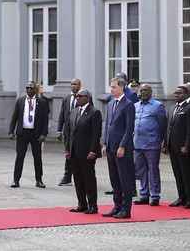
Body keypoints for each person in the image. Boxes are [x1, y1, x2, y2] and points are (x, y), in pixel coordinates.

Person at [101, 76, 136, 219]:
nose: (111, 89)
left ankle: (126, 208)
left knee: (124, 179)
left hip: (123, 148)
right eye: (111, 87)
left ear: (122, 87)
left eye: (114, 87)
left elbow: (129, 128)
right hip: (110, 147)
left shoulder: (128, 104)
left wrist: (122, 146)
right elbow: (107, 125)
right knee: (114, 179)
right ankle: (117, 206)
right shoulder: (110, 103)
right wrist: (104, 143)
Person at [63, 88, 101, 214]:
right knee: (78, 179)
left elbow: (96, 134)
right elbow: (68, 133)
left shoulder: (94, 112)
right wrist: (67, 149)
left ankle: (92, 205)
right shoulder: (73, 112)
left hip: (87, 152)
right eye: (77, 96)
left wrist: (93, 151)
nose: (78, 98)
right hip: (74, 151)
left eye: (81, 96)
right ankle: (81, 203)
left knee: (88, 179)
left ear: (88, 98)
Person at [164, 84, 190, 209]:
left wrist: (187, 145)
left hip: (183, 147)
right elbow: (168, 127)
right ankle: (182, 196)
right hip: (172, 146)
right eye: (175, 93)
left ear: (186, 95)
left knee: (187, 173)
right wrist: (165, 144)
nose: (175, 95)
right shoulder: (172, 108)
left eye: (178, 93)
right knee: (178, 173)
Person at [8, 81, 49, 189]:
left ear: (35, 89)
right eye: (27, 88)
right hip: (23, 133)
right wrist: (11, 131)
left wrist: (43, 134)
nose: (29, 90)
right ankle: (16, 180)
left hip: (36, 133)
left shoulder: (42, 102)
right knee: (20, 156)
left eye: (31, 88)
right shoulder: (20, 101)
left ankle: (39, 180)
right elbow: (14, 117)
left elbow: (45, 120)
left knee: (37, 157)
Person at [132, 83, 166, 207]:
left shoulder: (158, 106)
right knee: (141, 171)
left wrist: (161, 141)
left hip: (152, 143)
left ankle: (155, 195)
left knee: (153, 170)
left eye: (146, 90)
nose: (143, 93)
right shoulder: (135, 106)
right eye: (141, 91)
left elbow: (163, 126)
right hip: (138, 143)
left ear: (151, 92)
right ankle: (144, 194)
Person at [56, 78, 81, 186]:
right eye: (71, 84)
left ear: (80, 85)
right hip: (68, 131)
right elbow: (62, 115)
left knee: (79, 154)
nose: (73, 86)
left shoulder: (85, 97)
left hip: (80, 131)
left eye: (75, 84)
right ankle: (67, 177)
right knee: (68, 153)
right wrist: (59, 130)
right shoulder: (66, 98)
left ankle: (80, 176)